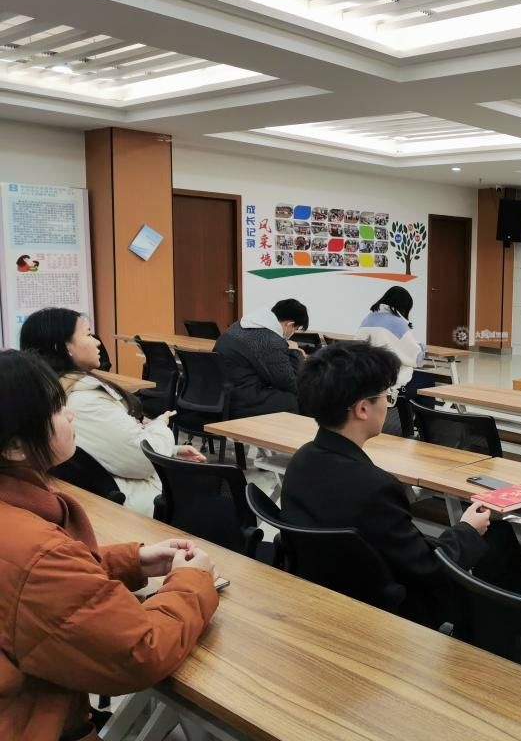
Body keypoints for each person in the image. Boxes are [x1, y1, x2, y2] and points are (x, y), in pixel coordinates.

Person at [0, 349, 219, 741]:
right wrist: (191, 581)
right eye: (57, 409)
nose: (70, 416)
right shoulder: (36, 552)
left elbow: (37, 594)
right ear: (16, 446)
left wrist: (132, 561)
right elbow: (140, 652)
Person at [281, 341, 521, 629]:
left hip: (328, 595)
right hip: (391, 612)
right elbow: (428, 568)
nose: (388, 403)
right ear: (362, 409)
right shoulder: (375, 487)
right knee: (497, 537)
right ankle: (511, 632)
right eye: (386, 396)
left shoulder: (300, 461)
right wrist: (467, 529)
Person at [20, 308, 206, 516]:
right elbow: (142, 460)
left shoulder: (49, 392)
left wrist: (172, 450)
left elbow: (103, 450)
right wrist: (160, 427)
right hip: (137, 509)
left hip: (102, 500)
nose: (97, 342)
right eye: (88, 334)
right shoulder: (85, 401)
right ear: (64, 347)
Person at [215, 298, 309, 418]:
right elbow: (291, 384)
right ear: (289, 324)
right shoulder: (270, 340)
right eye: (296, 329)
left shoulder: (239, 325)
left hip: (220, 394)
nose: (294, 332)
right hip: (240, 402)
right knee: (294, 399)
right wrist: (296, 352)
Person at [356, 286, 425, 388]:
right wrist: (422, 347)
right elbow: (415, 356)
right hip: (387, 379)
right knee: (427, 380)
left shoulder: (367, 319)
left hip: (363, 375)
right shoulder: (398, 323)